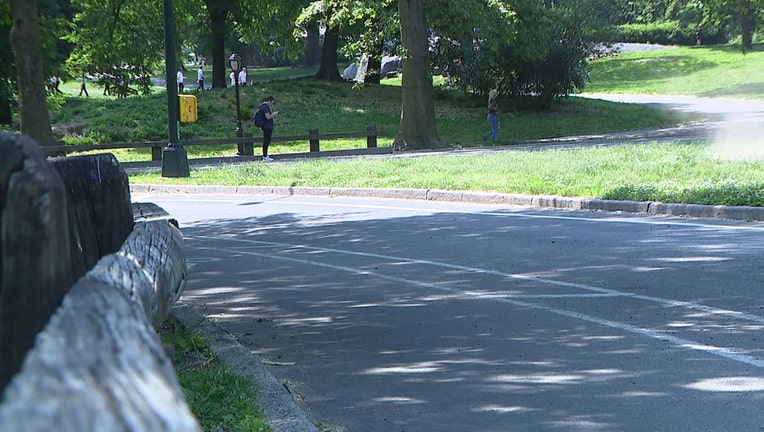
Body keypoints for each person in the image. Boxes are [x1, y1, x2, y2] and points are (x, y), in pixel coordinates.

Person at [257, 95, 279, 162]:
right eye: (272, 103)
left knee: (267, 141)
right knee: (266, 141)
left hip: (266, 126)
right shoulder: (265, 107)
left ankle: (265, 155)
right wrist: (274, 114)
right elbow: (268, 117)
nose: (272, 105)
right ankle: (265, 156)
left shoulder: (263, 106)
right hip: (267, 127)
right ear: (269, 101)